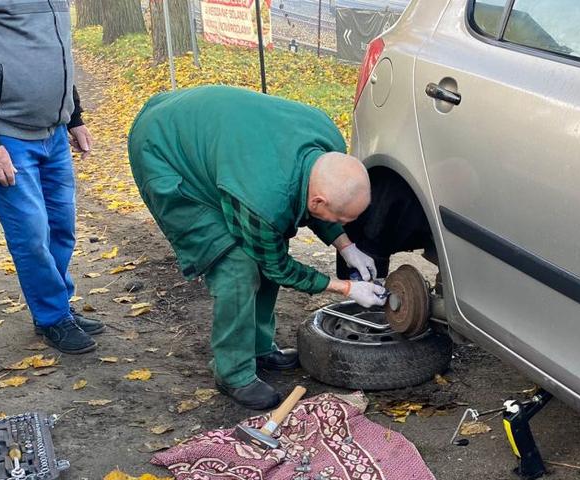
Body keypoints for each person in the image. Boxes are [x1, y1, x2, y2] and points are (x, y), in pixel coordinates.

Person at [128, 86, 386, 410]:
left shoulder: (328, 142)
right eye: (339, 219)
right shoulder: (262, 198)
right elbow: (276, 264)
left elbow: (312, 203)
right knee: (237, 265)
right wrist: (346, 288)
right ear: (320, 201)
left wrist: (347, 246)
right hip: (165, 151)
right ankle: (233, 373)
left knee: (265, 245)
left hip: (220, 141)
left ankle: (260, 347)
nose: (340, 223)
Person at [0, 0, 99, 354]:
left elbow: (57, 51)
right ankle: (51, 318)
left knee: (62, 227)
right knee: (31, 233)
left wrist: (74, 116)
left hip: (55, 133)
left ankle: (60, 307)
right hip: (7, 137)